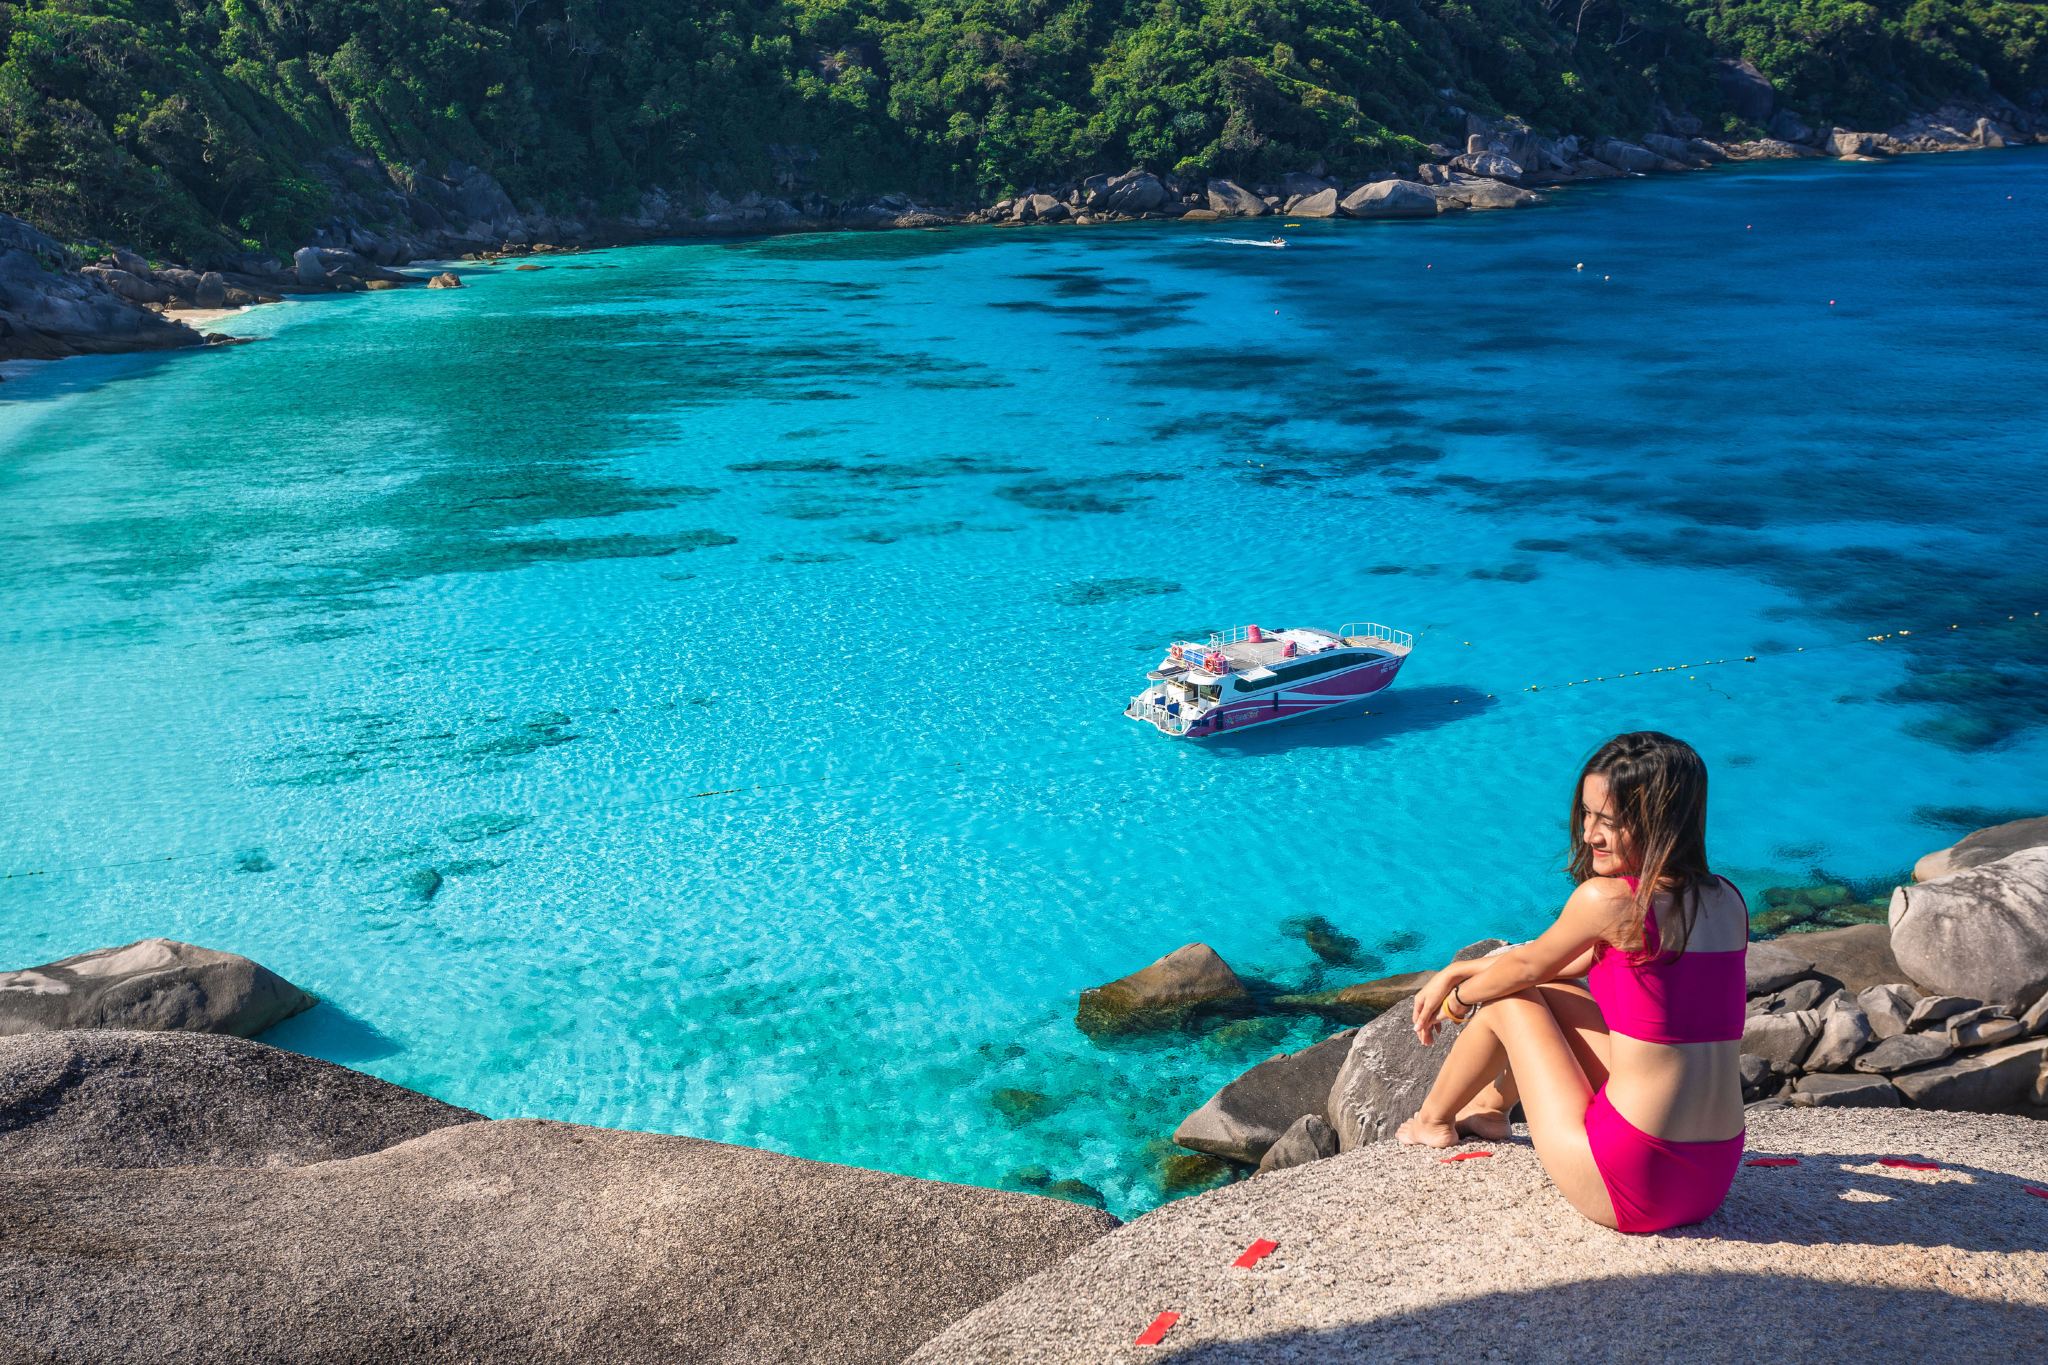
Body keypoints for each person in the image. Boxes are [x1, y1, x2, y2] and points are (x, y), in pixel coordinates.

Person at [1395, 731, 1749, 1234]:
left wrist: (1457, 998)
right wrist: (1458, 968)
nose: (1589, 835)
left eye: (1611, 822)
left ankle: (1432, 1121)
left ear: (1663, 821)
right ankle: (1491, 1110)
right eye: (1587, 814)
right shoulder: (1727, 900)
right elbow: (1561, 965)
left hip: (1630, 1180)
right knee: (1555, 995)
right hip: (1710, 1179)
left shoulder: (1609, 899)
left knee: (1510, 1000)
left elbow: (1525, 970)